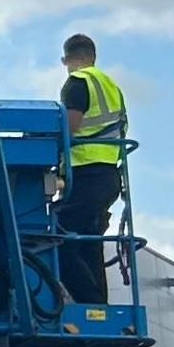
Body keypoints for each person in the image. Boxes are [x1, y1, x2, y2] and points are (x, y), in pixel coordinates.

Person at [56, 33, 130, 303]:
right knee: (88, 244)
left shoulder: (77, 82)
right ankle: (99, 309)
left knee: (55, 238)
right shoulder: (112, 87)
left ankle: (90, 304)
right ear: (93, 56)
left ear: (66, 59)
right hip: (109, 175)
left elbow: (70, 129)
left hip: (86, 174)